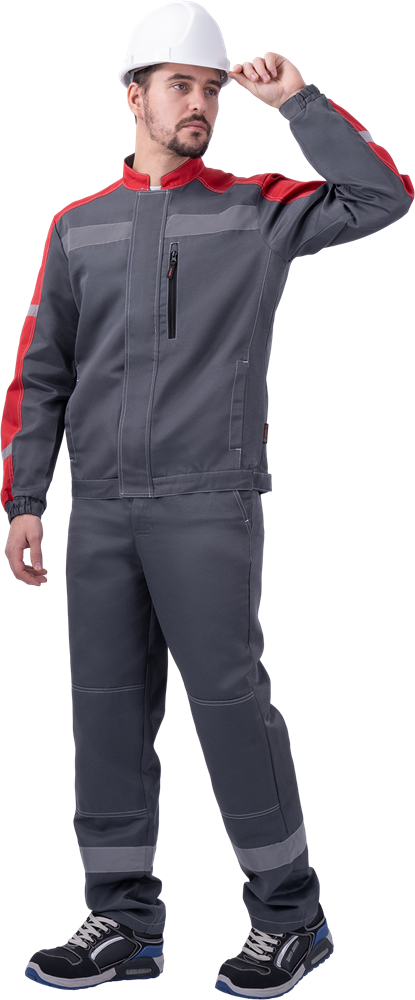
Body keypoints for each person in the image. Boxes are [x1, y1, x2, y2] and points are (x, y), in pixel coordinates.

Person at [2, 1, 413, 994]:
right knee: (104, 708)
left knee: (229, 705)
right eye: (180, 86)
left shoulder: (256, 207)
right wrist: (27, 498)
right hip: (101, 507)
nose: (200, 104)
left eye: (211, 90)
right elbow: (40, 370)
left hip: (207, 498)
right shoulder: (77, 226)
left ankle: (291, 917)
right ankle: (123, 920)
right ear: (133, 95)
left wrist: (299, 103)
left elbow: (382, 194)